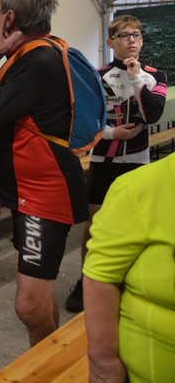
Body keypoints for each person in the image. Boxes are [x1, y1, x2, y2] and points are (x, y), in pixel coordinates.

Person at [0, 0, 89, 347]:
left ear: (9, 17)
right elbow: (12, 128)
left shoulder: (37, 62)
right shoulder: (31, 55)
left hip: (44, 199)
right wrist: (4, 187)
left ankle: (46, 367)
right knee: (38, 297)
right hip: (26, 193)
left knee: (29, 305)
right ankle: (49, 358)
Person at [65, 15, 167, 313]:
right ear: (110, 42)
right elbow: (82, 120)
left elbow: (152, 115)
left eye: (136, 35)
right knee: (95, 224)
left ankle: (128, 280)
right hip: (104, 160)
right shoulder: (97, 76)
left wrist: (135, 77)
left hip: (138, 160)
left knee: (136, 225)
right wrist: (112, 133)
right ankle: (85, 281)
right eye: (124, 35)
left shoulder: (155, 75)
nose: (132, 40)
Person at [82, 154, 175, 382]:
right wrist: (103, 363)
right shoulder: (140, 188)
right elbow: (100, 276)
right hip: (149, 369)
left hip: (134, 155)